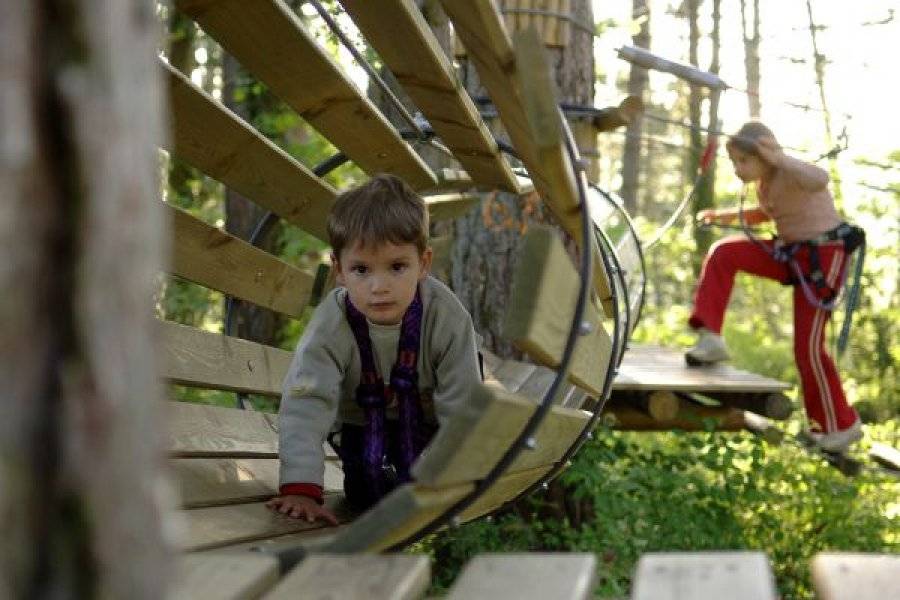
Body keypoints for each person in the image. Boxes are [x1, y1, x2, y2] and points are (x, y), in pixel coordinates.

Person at [267, 174, 481, 524]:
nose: (379, 286)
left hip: (429, 424)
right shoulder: (331, 325)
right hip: (359, 425)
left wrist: (447, 476)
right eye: (361, 270)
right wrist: (299, 487)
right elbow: (307, 402)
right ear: (339, 271)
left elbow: (461, 405)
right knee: (366, 495)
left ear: (423, 263)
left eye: (397, 267)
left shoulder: (446, 316)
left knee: (424, 493)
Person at [685, 121, 862, 452]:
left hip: (823, 256)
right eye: (735, 163)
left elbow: (819, 178)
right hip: (791, 254)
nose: (738, 170)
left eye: (743, 161)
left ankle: (841, 425)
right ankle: (710, 336)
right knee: (724, 252)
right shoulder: (764, 185)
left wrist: (778, 157)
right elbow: (762, 215)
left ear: (765, 151)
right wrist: (718, 217)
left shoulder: (791, 171)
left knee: (808, 348)